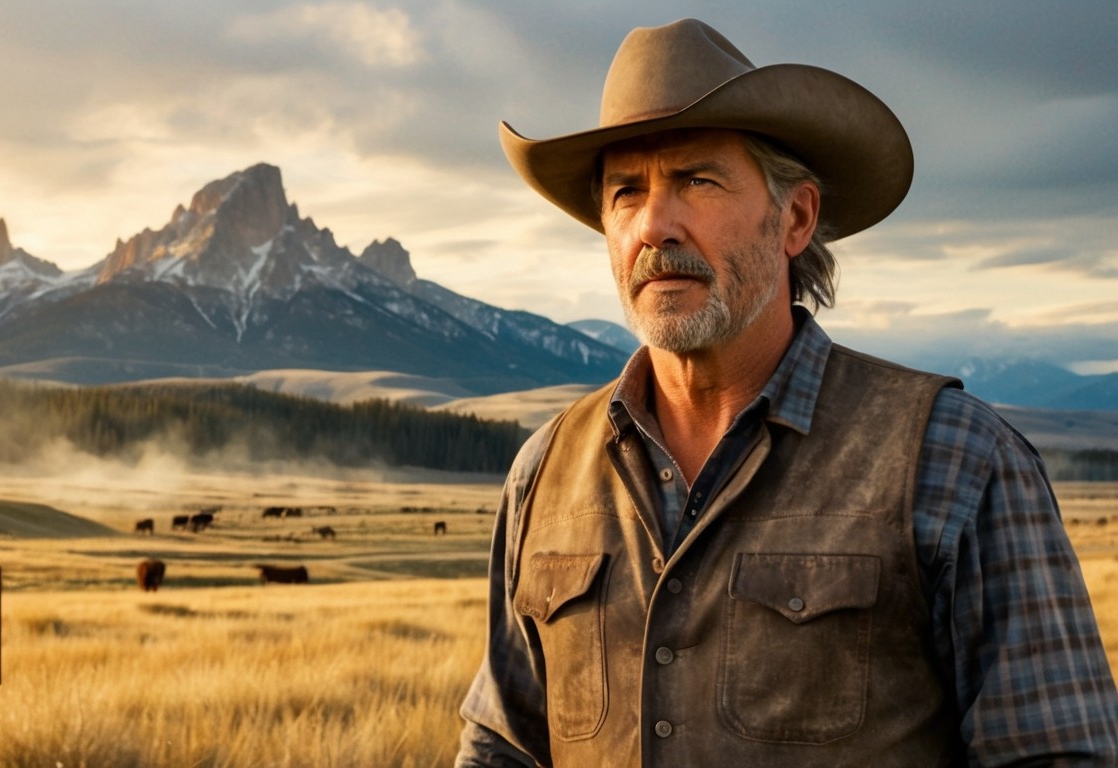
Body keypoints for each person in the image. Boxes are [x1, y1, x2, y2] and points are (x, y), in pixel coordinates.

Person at [456, 18, 1118, 768]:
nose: (653, 224)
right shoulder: (544, 473)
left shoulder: (956, 461)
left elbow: (1058, 755)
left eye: (696, 180)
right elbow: (502, 746)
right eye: (625, 191)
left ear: (795, 218)